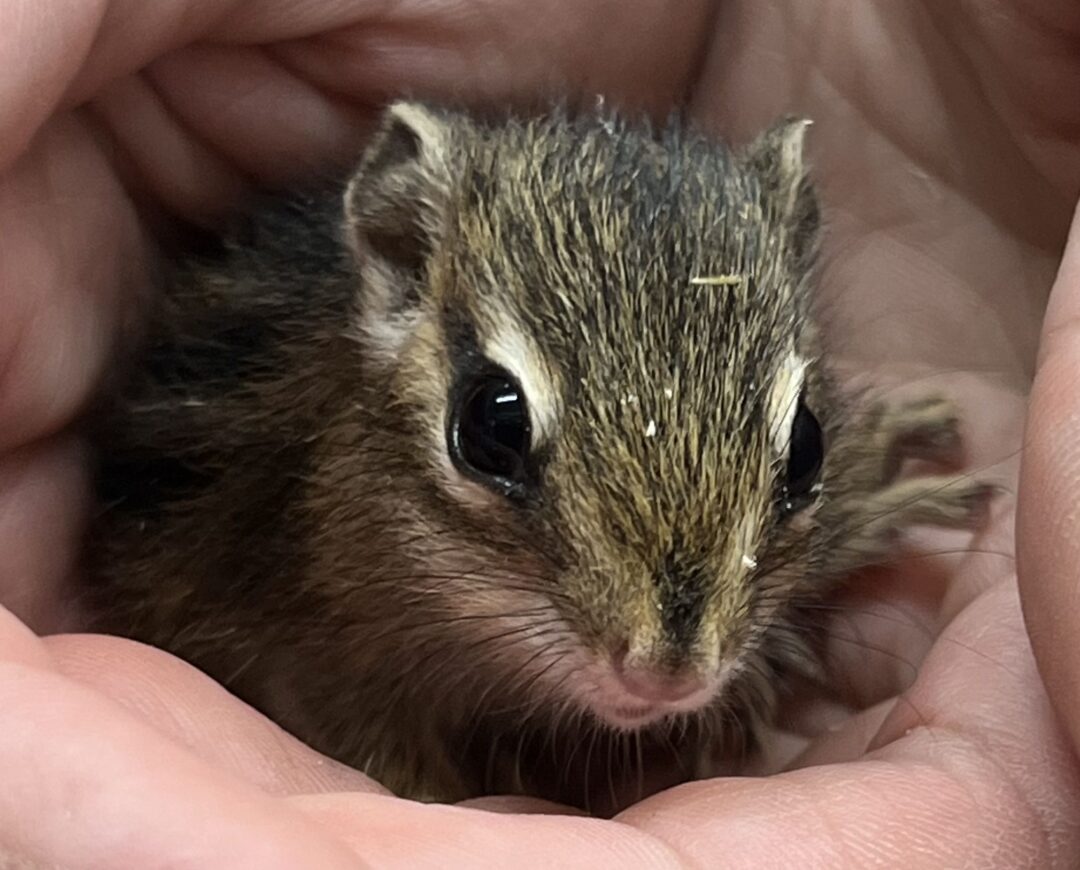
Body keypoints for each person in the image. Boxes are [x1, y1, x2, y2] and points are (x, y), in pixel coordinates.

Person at [1, 1, 1078, 864]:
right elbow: (270, 627)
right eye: (498, 433)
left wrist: (820, 524)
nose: (669, 663)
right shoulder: (344, 515)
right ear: (401, 255)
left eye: (794, 459)